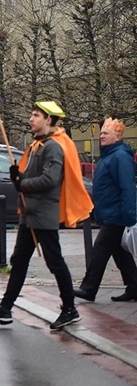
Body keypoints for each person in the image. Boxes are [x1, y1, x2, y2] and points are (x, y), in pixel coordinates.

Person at [0, 101, 88, 331]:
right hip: (30, 214)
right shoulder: (39, 145)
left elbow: (51, 179)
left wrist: (22, 183)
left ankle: (70, 309)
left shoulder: (53, 147)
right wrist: (19, 175)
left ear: (48, 120)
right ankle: (6, 309)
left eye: (35, 115)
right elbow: (36, 175)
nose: (31, 118)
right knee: (19, 261)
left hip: (43, 214)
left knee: (54, 262)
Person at [73, 117, 137, 303]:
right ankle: (134, 287)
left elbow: (127, 187)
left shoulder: (119, 157)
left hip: (117, 215)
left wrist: (129, 215)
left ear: (117, 136)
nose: (101, 135)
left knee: (100, 251)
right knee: (119, 252)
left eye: (105, 133)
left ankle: (88, 288)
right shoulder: (110, 155)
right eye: (101, 132)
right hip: (112, 212)